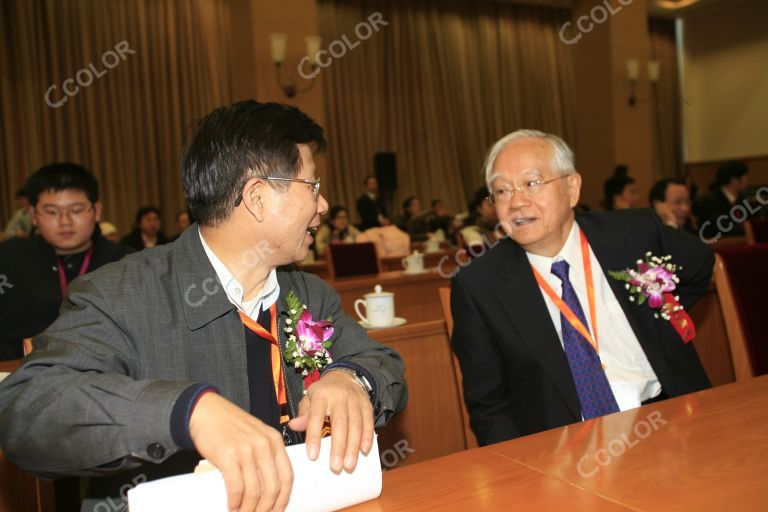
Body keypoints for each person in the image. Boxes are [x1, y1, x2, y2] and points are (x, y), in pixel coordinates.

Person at [0, 101, 407, 512]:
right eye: (313, 186)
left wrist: (351, 379)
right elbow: (28, 412)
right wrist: (184, 412)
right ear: (258, 197)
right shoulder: (121, 294)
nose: (323, 205)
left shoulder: (308, 292)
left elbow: (381, 362)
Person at [451, 130, 712, 446]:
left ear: (571, 188)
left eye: (532, 183)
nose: (516, 202)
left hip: (672, 420)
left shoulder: (633, 234)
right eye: (502, 191)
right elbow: (489, 406)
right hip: (568, 449)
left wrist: (661, 314)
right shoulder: (480, 286)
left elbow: (700, 264)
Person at [0, 163, 131, 361]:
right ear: (34, 215)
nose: (65, 221)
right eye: (52, 212)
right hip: (16, 379)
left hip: (104, 379)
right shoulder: (8, 258)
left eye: (76, 210)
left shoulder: (126, 263)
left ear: (96, 210)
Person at [694, 161, 749, 239]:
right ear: (734, 180)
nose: (747, 181)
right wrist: (747, 229)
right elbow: (720, 228)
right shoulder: (710, 201)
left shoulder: (741, 199)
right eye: (745, 177)